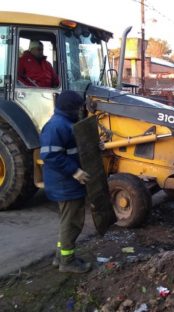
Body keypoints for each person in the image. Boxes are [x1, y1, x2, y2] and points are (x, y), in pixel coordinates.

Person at [40, 91, 91, 273]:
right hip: (65, 183)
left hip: (66, 183)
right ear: (70, 108)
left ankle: (60, 256)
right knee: (72, 222)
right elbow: (50, 155)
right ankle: (67, 262)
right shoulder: (56, 126)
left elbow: (73, 149)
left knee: (66, 221)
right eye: (78, 108)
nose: (80, 111)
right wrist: (75, 171)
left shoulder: (67, 123)